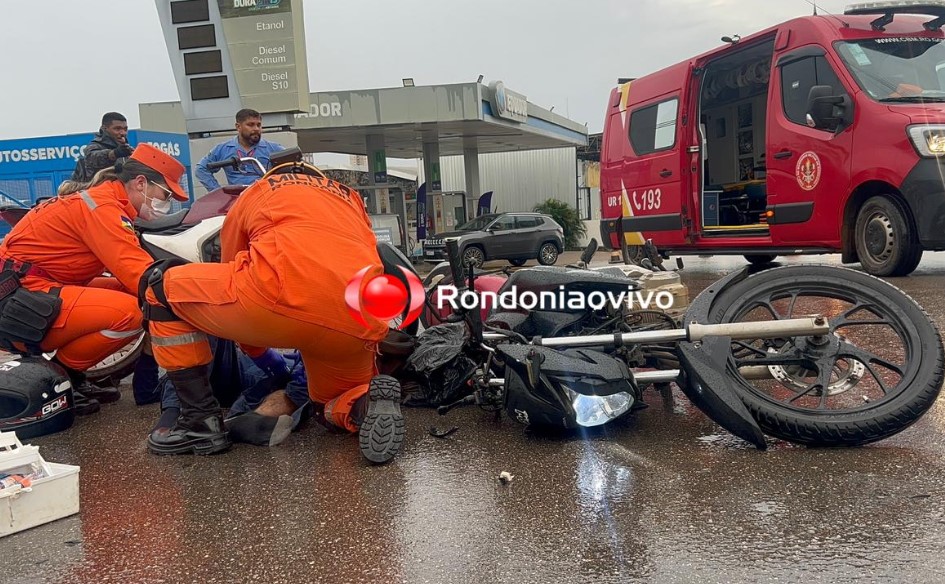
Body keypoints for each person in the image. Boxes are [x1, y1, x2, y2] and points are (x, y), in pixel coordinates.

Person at [141, 163, 405, 463]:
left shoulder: (257, 191)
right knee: (325, 406)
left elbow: (230, 266)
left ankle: (199, 422)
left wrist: (256, 349)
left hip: (278, 300)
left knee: (161, 287)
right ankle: (363, 406)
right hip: (357, 317)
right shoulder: (350, 198)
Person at [0, 144, 189, 411]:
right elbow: (137, 272)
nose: (166, 203)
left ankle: (68, 374)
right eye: (166, 194)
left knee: (131, 295)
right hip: (20, 299)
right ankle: (62, 377)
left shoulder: (105, 201)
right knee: (134, 311)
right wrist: (191, 291)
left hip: (28, 286)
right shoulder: (102, 208)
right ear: (140, 183)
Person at [194, 109, 285, 192]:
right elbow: (201, 169)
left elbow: (295, 166)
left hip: (265, 197)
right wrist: (218, 192)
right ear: (238, 127)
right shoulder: (223, 149)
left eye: (259, 125)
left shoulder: (273, 148)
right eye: (251, 125)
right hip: (237, 200)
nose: (256, 129)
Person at [72, 112, 134, 182]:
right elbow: (92, 158)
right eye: (117, 129)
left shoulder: (127, 151)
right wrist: (114, 153)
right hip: (98, 191)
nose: (123, 133)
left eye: (125, 129)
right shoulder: (94, 146)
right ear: (104, 129)